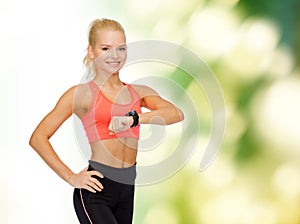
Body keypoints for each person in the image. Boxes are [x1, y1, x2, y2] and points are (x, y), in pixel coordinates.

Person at [29, 18, 184, 224]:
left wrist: (134, 119)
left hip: (127, 189)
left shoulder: (137, 92)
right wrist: (71, 177)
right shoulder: (82, 94)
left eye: (121, 49)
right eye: (105, 48)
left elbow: (175, 113)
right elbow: (38, 137)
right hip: (97, 191)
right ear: (91, 52)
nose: (114, 55)